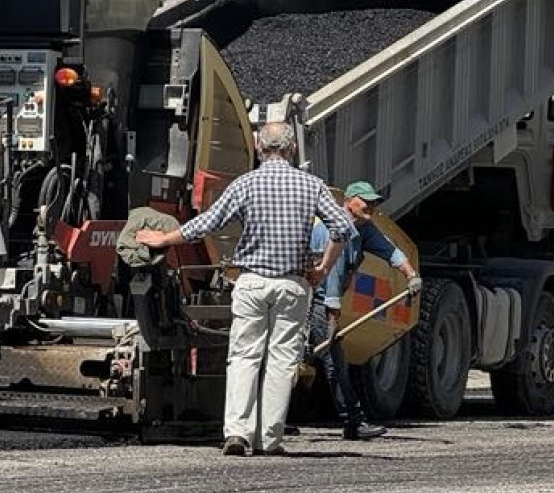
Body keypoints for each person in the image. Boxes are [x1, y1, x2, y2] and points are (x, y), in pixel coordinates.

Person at [136, 122, 356, 457]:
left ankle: (237, 433)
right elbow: (342, 228)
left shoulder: (246, 184)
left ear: (258, 147)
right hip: (292, 284)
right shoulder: (312, 185)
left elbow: (207, 223)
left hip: (251, 282)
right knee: (282, 361)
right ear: (292, 149)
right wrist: (323, 268)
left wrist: (164, 238)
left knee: (243, 357)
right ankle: (270, 439)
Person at [308, 181, 423, 441]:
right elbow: (332, 277)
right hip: (314, 300)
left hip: (324, 299)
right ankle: (353, 422)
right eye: (366, 201)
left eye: (374, 202)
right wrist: (331, 316)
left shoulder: (364, 228)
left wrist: (411, 275)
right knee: (333, 362)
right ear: (348, 201)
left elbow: (391, 252)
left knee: (319, 359)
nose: (372, 206)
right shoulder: (334, 229)